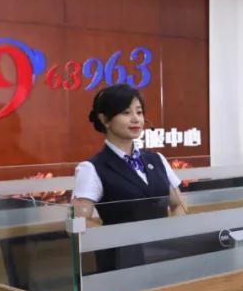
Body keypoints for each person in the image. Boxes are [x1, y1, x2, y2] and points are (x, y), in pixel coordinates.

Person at [72, 84, 186, 270]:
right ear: (105, 119)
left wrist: (173, 234)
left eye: (139, 112)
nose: (136, 119)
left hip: (165, 257)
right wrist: (123, 240)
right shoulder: (91, 168)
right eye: (126, 113)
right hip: (121, 264)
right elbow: (79, 221)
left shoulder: (157, 159)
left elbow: (178, 204)